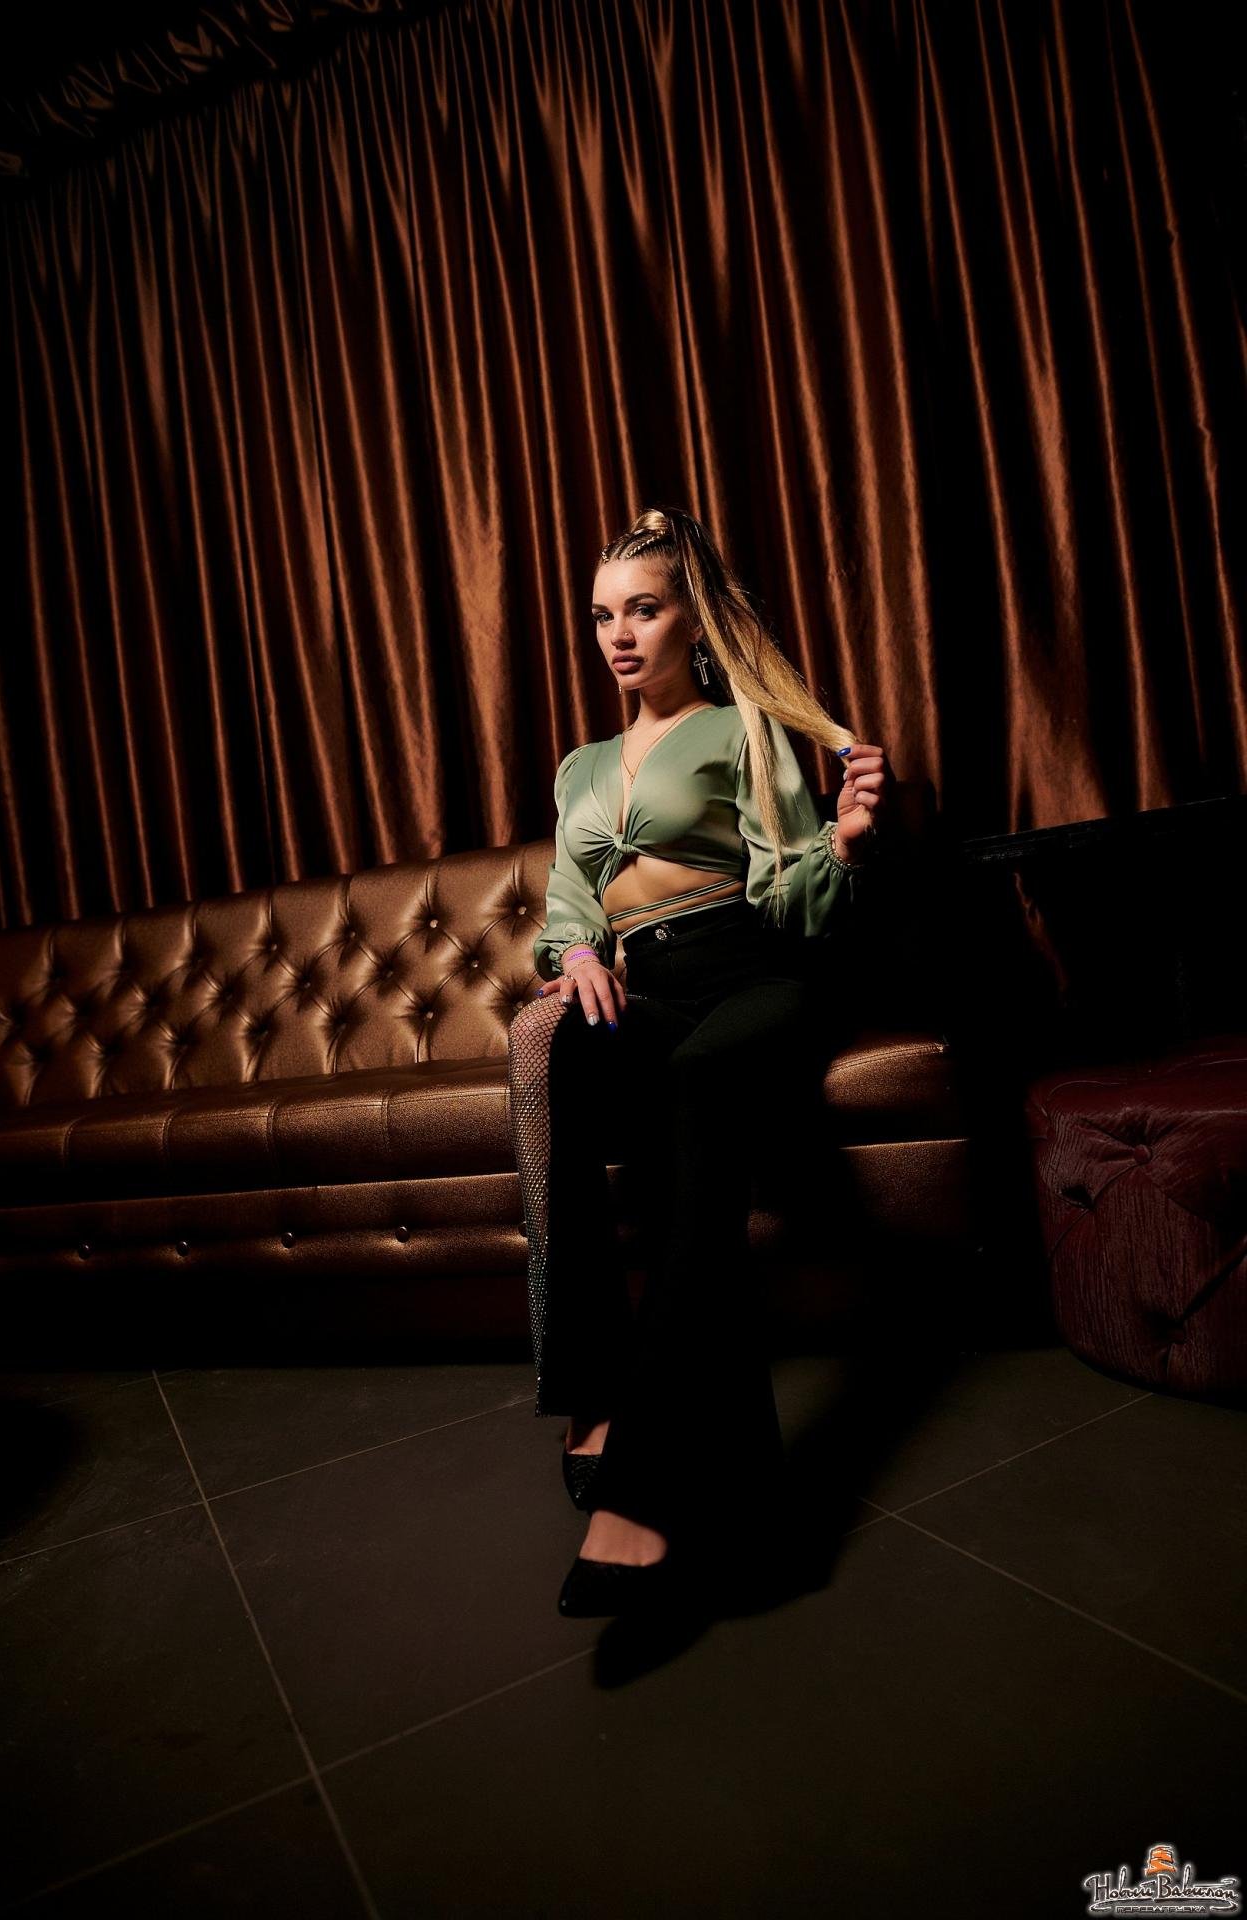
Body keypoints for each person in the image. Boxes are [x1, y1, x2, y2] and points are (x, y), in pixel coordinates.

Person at [505, 505, 888, 1618]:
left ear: (691, 623)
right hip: (649, 986)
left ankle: (643, 1486)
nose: (619, 635)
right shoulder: (581, 767)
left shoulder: (742, 729)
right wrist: (578, 952)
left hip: (751, 972)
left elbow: (790, 898)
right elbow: (567, 901)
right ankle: (594, 1393)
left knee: (704, 1084)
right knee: (568, 1063)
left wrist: (842, 841)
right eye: (601, 617)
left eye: (643, 610)